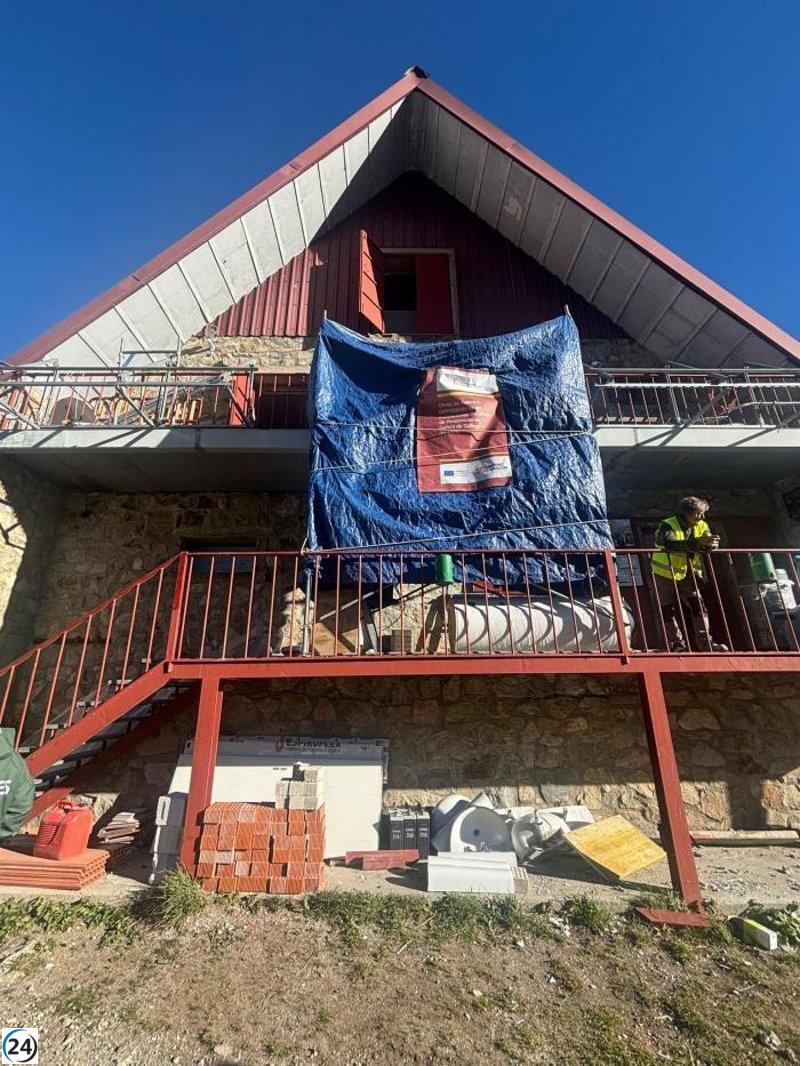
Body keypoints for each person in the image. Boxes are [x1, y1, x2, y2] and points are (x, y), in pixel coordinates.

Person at [651, 496, 728, 652]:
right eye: (698, 514)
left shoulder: (702, 525)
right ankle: (676, 644)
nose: (702, 517)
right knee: (668, 609)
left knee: (698, 607)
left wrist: (711, 545)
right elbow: (669, 543)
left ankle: (707, 644)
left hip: (688, 573)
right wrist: (698, 543)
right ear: (686, 513)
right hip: (664, 572)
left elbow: (705, 544)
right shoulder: (668, 524)